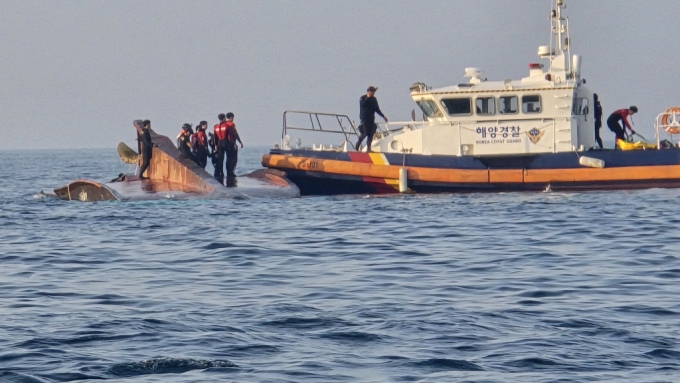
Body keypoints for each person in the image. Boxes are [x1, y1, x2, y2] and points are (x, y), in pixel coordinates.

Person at [355, 86, 388, 152]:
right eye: (373, 92)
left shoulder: (374, 99)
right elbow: (363, 104)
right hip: (364, 119)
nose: (373, 93)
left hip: (371, 118)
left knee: (371, 133)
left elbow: (377, 109)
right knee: (365, 133)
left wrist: (383, 116)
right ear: (369, 92)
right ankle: (357, 145)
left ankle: (368, 149)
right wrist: (368, 97)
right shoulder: (363, 98)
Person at [224, 112, 243, 177]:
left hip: (225, 144)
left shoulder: (223, 124)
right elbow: (235, 134)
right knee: (233, 159)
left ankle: (228, 172)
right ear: (231, 117)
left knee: (228, 158)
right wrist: (240, 141)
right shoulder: (231, 124)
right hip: (231, 143)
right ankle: (231, 172)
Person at [213, 113, 228, 182]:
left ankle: (221, 173)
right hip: (225, 142)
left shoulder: (216, 127)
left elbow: (215, 137)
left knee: (220, 159)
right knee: (229, 158)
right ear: (224, 118)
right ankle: (229, 173)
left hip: (219, 143)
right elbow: (229, 135)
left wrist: (215, 145)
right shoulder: (226, 125)